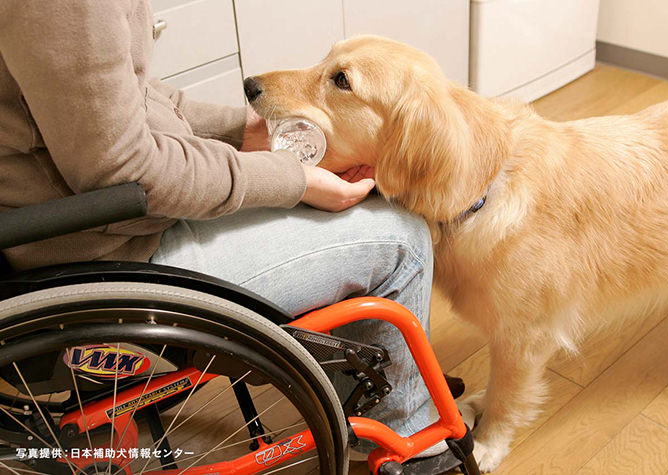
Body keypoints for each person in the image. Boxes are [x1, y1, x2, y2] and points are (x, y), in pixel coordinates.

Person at [0, 0, 445, 461]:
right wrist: (293, 181)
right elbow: (123, 170)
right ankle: (408, 440)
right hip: (106, 254)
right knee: (401, 235)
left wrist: (245, 134)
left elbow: (136, 96)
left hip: (98, 224)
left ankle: (369, 385)